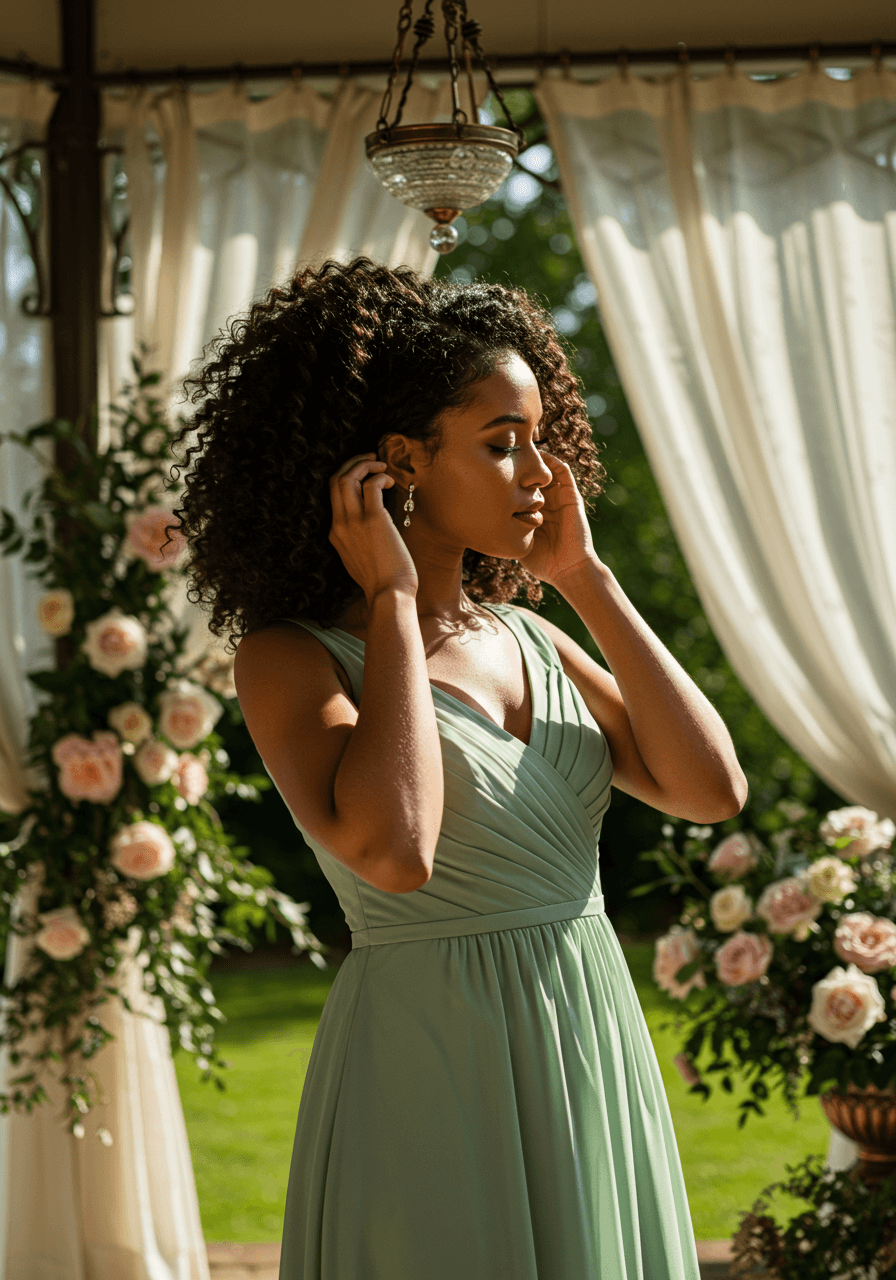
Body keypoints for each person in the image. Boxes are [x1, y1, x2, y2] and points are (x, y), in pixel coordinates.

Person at [171, 256, 747, 1279]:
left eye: (540, 443)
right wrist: (391, 601)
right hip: (427, 1057)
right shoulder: (290, 656)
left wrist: (587, 578)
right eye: (502, 444)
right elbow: (395, 853)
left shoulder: (528, 632)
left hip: (586, 1030)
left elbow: (709, 791)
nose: (540, 474)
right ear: (400, 459)